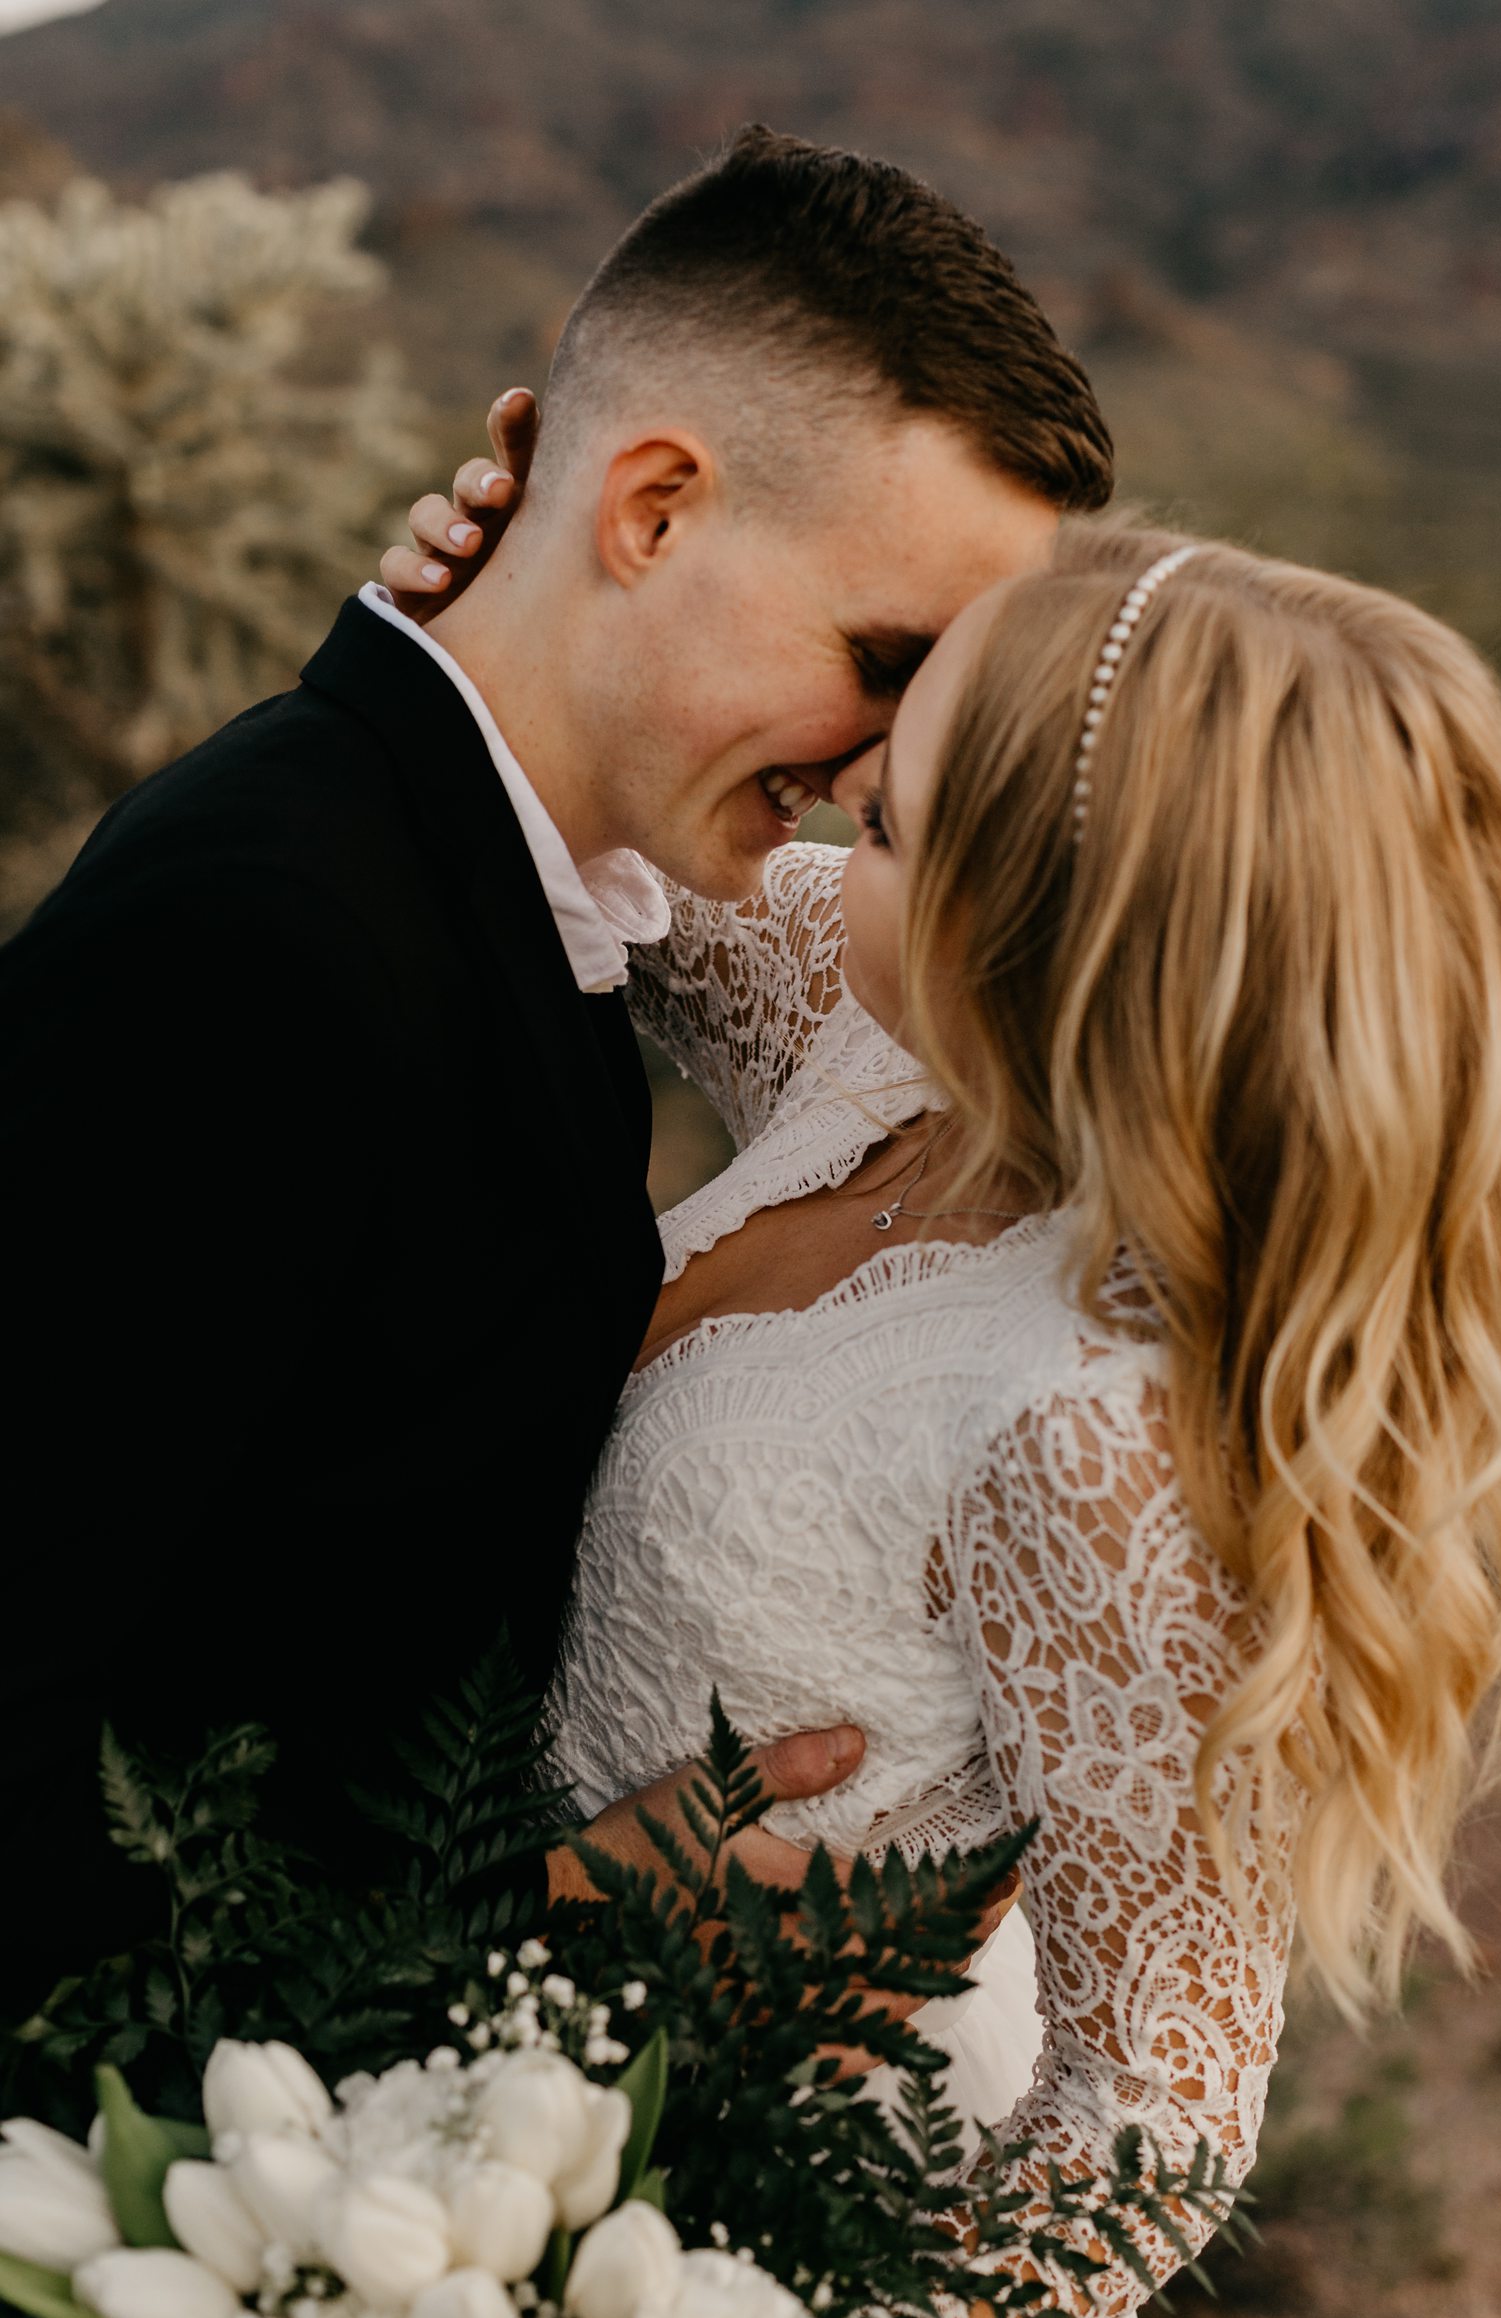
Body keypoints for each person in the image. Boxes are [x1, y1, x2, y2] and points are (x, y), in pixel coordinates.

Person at [395, 488, 1501, 2318]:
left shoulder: (1095, 1432)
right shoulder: (883, 1042)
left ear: (1044, 923)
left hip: (774, 2249)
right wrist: (493, 610)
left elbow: (1159, 2119)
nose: (835, 806)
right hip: (475, 2112)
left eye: (887, 820)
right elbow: (585, 803)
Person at [0, 130, 1109, 2028]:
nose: (886, 765)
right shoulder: (264, 935)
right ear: (655, 507)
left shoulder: (518, 883)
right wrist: (531, 1918)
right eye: (888, 659)